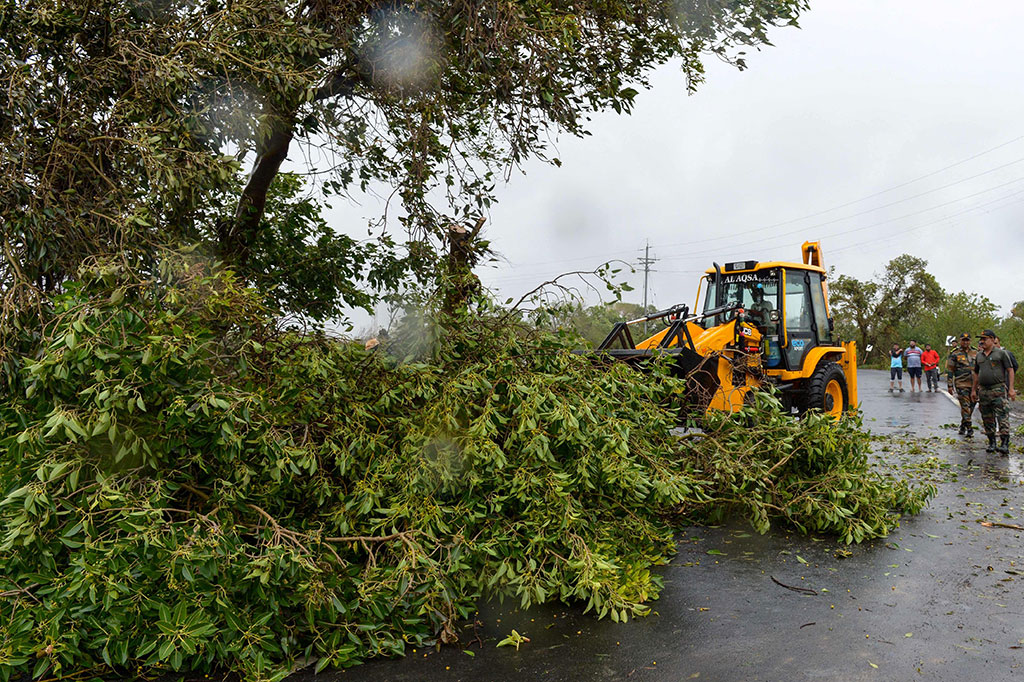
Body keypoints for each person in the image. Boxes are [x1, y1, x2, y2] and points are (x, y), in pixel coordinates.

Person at [971, 329, 1016, 454]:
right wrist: (974, 390)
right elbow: (975, 372)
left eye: (984, 339)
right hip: (984, 391)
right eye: (981, 339)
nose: (982, 341)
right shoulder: (979, 355)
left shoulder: (1001, 354)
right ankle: (991, 442)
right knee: (987, 418)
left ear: (992, 339)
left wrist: (1011, 388)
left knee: (1002, 417)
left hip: (998, 390)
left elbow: (1010, 370)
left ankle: (1005, 443)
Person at [948, 333, 977, 437]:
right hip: (961, 383)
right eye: (963, 340)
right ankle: (969, 428)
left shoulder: (976, 352)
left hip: (974, 384)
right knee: (965, 405)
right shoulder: (955, 353)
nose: (966, 342)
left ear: (970, 341)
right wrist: (950, 385)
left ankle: (963, 424)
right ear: (960, 341)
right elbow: (950, 370)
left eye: (967, 340)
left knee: (971, 406)